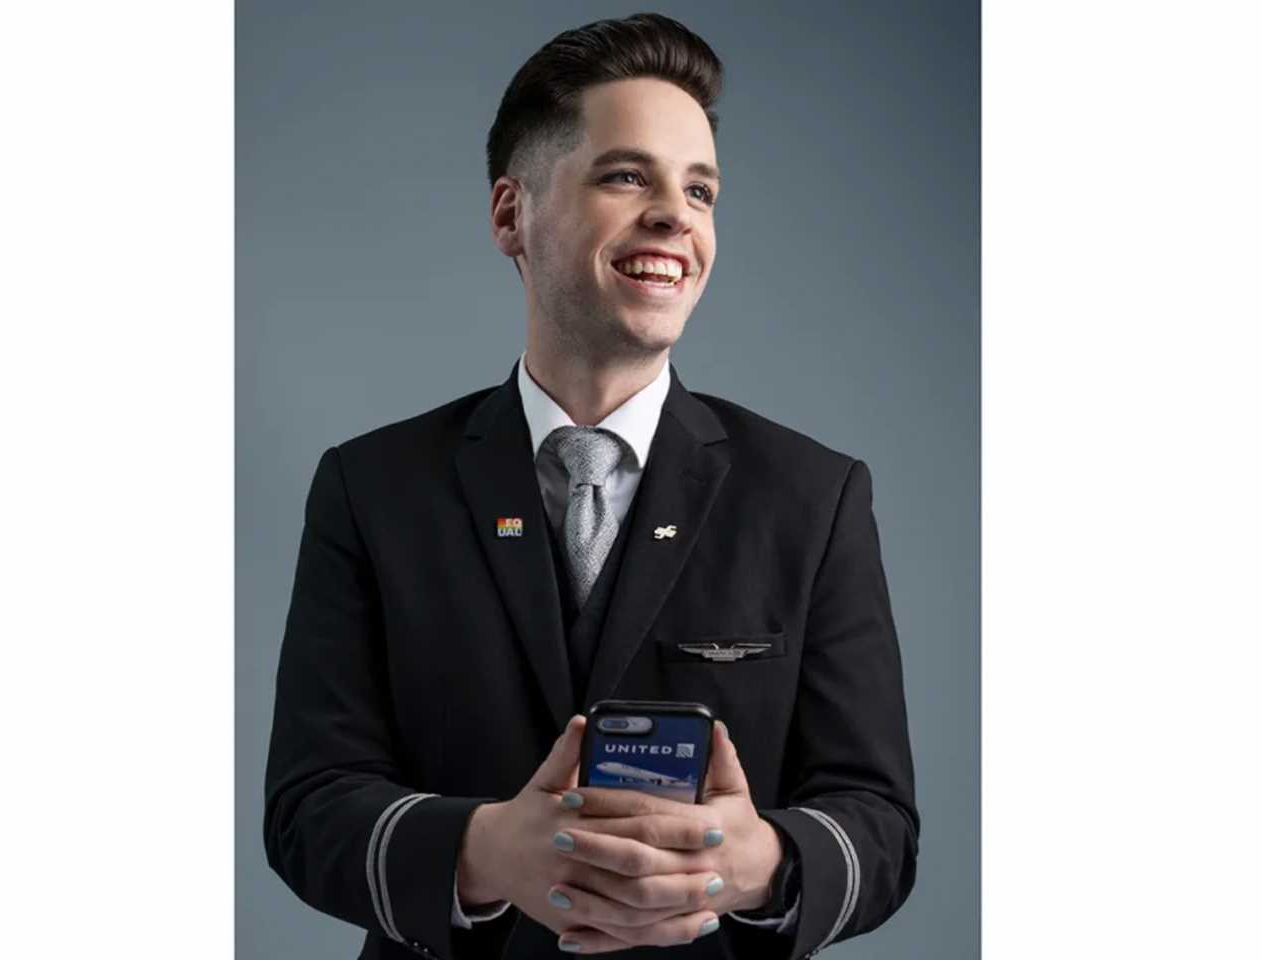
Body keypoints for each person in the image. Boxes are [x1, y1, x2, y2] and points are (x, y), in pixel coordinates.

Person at [263, 12, 919, 960]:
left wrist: (762, 860)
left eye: (701, 189)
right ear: (509, 214)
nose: (676, 216)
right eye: (626, 176)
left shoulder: (815, 498)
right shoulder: (371, 488)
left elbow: (883, 826)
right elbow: (306, 807)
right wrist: (485, 852)